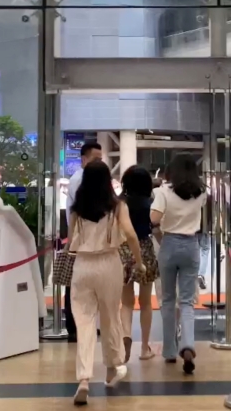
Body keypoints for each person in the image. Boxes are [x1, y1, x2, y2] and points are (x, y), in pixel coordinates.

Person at [68, 161, 145, 405]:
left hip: (83, 265)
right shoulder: (117, 206)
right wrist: (139, 261)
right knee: (111, 316)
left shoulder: (77, 208)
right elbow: (131, 235)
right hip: (109, 263)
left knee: (84, 322)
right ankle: (112, 368)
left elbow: (71, 239)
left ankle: (83, 380)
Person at [152, 154, 208, 374]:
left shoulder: (163, 192)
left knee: (167, 300)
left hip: (169, 244)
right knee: (187, 301)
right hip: (191, 245)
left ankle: (169, 350)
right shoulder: (202, 193)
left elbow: (154, 219)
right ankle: (188, 345)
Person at [118, 166, 159, 362]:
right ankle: (144, 348)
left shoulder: (118, 203)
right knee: (145, 302)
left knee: (126, 302)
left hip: (123, 250)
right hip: (145, 249)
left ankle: (126, 336)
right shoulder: (150, 203)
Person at [64, 141, 103, 343]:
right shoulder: (80, 181)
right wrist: (72, 243)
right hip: (81, 241)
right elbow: (76, 216)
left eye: (101, 159)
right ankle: (75, 326)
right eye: (96, 159)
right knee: (77, 286)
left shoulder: (89, 180)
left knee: (82, 284)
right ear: (83, 160)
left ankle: (80, 325)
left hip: (87, 241)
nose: (100, 163)